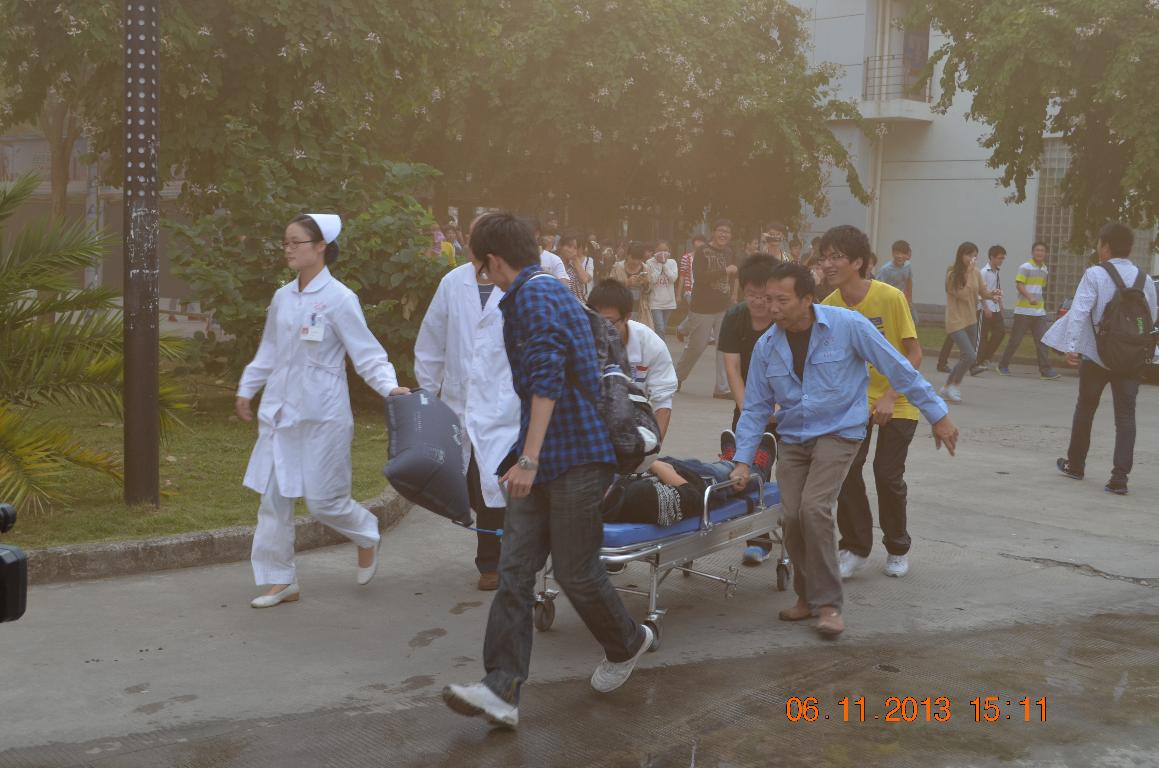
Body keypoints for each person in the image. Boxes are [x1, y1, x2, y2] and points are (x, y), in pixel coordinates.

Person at [442, 213, 653, 729]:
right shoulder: (540, 292)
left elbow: (546, 379)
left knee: (576, 572)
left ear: (493, 261)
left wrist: (528, 459)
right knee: (515, 571)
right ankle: (501, 689)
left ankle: (628, 641)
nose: (482, 276)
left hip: (577, 455)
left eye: (479, 267)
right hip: (542, 455)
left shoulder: (535, 296)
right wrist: (526, 456)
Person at [728, 261, 958, 638]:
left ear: (807, 299)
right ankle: (806, 597)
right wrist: (742, 461)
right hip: (794, 436)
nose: (772, 307)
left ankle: (829, 605)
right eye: (768, 299)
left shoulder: (847, 325)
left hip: (840, 431)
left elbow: (898, 367)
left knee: (813, 508)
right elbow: (754, 408)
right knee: (791, 516)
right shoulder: (766, 346)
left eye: (782, 300)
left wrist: (938, 414)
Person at [236, 213, 409, 609]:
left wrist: (389, 386)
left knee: (323, 502)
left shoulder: (339, 299)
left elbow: (367, 354)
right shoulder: (283, 297)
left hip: (323, 417)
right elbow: (269, 350)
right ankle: (280, 579)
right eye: (285, 242)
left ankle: (366, 532)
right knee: (273, 500)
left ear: (320, 247)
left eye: (295, 242)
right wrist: (247, 388)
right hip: (281, 415)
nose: (288, 249)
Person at [414, 217, 520, 591]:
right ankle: (503, 546)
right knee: (471, 482)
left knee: (495, 480)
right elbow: (431, 342)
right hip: (459, 400)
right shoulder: (452, 283)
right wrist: (426, 396)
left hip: (505, 402)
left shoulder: (518, 284)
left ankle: (492, 562)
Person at [820, 225, 923, 579]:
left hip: (900, 398)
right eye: (824, 257)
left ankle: (897, 547)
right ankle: (855, 546)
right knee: (847, 470)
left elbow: (914, 353)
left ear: (858, 262)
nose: (828, 264)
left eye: (836, 257)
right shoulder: (828, 307)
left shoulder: (890, 297)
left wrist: (890, 395)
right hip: (854, 403)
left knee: (887, 474)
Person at [1047, 223, 1157, 495]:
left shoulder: (1095, 273)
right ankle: (1119, 479)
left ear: (1106, 245)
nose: (1098, 247)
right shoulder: (1144, 279)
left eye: (1099, 243)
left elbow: (1079, 311)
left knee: (1085, 409)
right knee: (1126, 417)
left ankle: (1076, 465)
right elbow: (1151, 317)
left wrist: (1071, 346)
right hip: (1130, 359)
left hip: (1097, 356)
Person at [717, 254, 781, 566]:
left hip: (789, 405)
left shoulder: (784, 318)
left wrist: (780, 409)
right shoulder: (735, 317)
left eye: (764, 296)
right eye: (751, 294)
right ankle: (758, 538)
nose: (758, 302)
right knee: (749, 469)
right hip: (748, 405)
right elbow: (732, 368)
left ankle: (797, 531)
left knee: (794, 473)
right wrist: (749, 412)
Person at [602, 431, 777, 527]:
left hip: (679, 468)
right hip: (703, 482)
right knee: (735, 474)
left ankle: (731, 459)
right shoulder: (639, 497)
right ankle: (758, 468)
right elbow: (692, 496)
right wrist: (654, 464)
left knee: (718, 466)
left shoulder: (607, 485)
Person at [588, 279, 678, 440]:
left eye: (609, 322)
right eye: (596, 321)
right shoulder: (581, 341)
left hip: (635, 426)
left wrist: (652, 448)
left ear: (627, 317)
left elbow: (662, 403)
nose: (601, 329)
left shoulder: (652, 345)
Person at [675, 220, 737, 397]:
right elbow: (700, 277)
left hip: (723, 307)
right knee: (697, 346)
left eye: (727, 232)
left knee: (724, 347)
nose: (723, 234)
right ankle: (676, 377)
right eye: (720, 230)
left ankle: (722, 388)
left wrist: (732, 297)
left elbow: (733, 276)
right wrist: (724, 271)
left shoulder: (729, 252)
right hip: (702, 307)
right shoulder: (702, 251)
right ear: (714, 232)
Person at [940, 242, 1000, 403]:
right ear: (961, 255)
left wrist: (992, 295)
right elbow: (963, 294)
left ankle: (947, 386)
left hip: (970, 319)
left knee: (968, 356)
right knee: (969, 355)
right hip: (955, 320)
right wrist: (967, 272)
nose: (972, 259)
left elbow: (982, 291)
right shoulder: (952, 274)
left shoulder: (976, 273)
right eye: (968, 255)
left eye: (974, 256)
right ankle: (955, 386)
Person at [997, 242, 1061, 380]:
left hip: (1039, 312)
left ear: (1046, 253)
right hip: (1023, 311)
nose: (1040, 253)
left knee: (1043, 341)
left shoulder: (1045, 269)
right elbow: (1019, 285)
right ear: (1032, 253)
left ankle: (1045, 370)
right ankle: (1003, 365)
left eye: (1042, 250)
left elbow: (1040, 287)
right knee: (1015, 340)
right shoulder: (1025, 267)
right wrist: (1029, 297)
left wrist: (1037, 301)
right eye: (1037, 250)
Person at [610, 241, 654, 329]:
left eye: (639, 259)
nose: (636, 262)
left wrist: (646, 284)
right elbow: (609, 289)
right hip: (620, 309)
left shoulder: (646, 268)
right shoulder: (617, 267)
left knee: (639, 333)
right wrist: (626, 283)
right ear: (627, 255)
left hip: (640, 310)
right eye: (633, 258)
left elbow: (650, 291)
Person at [976, 245, 1007, 367]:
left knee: (1000, 332)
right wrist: (985, 308)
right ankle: (978, 361)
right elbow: (980, 292)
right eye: (999, 258)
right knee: (982, 336)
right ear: (992, 257)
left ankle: (986, 357)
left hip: (995, 308)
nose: (1001, 261)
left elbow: (996, 290)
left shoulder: (996, 272)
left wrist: (1001, 306)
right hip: (985, 309)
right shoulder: (983, 272)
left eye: (1003, 258)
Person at [676, 233, 707, 342]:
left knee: (696, 314)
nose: (700, 243)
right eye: (697, 241)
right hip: (690, 290)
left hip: (703, 291)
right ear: (693, 243)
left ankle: (681, 329)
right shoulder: (686, 257)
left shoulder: (706, 258)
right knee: (696, 313)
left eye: (702, 241)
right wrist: (679, 294)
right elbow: (682, 276)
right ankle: (702, 337)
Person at [645, 240, 679, 333]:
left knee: (662, 328)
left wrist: (665, 265)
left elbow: (673, 278)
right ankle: (661, 343)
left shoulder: (672, 262)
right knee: (660, 327)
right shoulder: (649, 262)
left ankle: (657, 342)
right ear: (655, 250)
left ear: (669, 251)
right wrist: (659, 265)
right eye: (660, 250)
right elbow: (652, 280)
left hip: (669, 301)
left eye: (665, 250)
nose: (663, 253)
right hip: (655, 302)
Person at [522, 216, 569, 281]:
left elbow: (564, 286)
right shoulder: (513, 260)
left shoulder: (554, 260)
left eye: (526, 232)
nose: (523, 236)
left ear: (537, 234)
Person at [558, 232, 594, 301]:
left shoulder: (573, 268)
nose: (572, 250)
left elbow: (585, 279)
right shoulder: (553, 265)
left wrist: (575, 259)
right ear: (560, 246)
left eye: (575, 248)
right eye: (569, 246)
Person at [876, 240, 913, 305]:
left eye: (903, 253)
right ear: (893, 253)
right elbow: (877, 288)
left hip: (900, 299)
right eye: (897, 253)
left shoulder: (908, 265)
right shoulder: (885, 269)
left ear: (907, 255)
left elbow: (909, 282)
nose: (900, 256)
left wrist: (909, 300)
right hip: (887, 301)